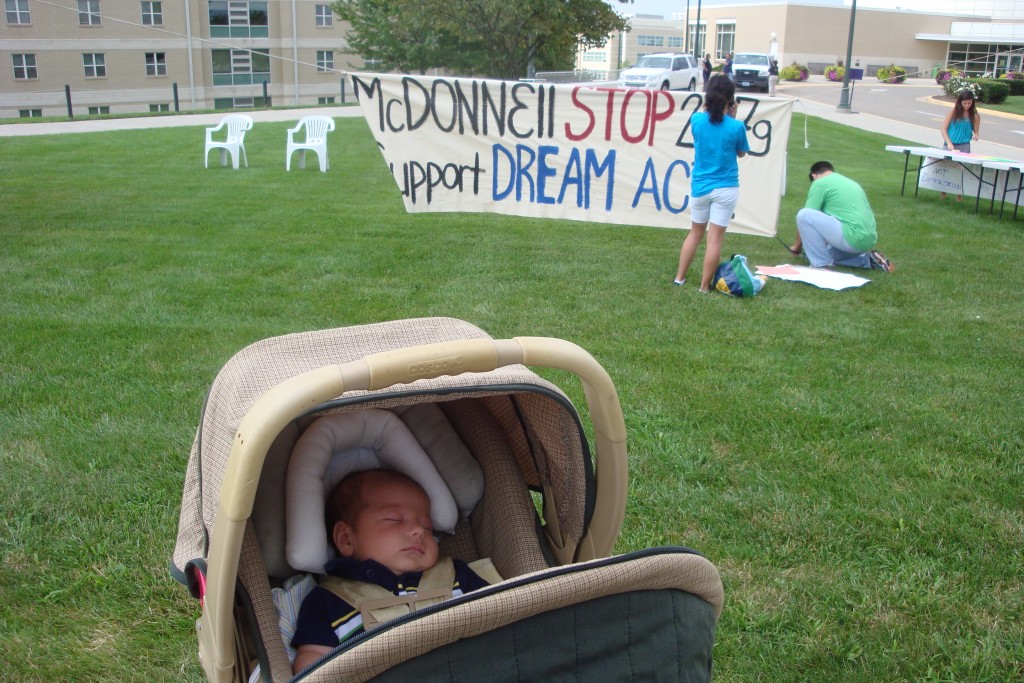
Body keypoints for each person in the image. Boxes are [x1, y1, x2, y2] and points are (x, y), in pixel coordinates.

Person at [291, 469, 492, 673]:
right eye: (394, 519)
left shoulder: (456, 576)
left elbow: (497, 618)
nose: (419, 530)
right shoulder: (328, 601)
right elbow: (313, 660)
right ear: (346, 539)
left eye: (427, 526)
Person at [674, 74, 750, 292]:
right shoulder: (736, 127)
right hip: (726, 187)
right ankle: (704, 286)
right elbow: (742, 152)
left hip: (701, 186)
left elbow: (708, 126)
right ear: (731, 100)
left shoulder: (696, 120)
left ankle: (680, 277)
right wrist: (733, 117)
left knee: (695, 232)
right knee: (714, 239)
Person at [789, 161, 894, 272]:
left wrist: (796, 247)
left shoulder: (819, 183)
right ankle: (868, 261)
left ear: (814, 175)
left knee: (804, 215)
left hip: (851, 236)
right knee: (820, 253)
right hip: (868, 239)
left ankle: (822, 265)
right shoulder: (851, 183)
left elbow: (808, 216)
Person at [939, 89, 981, 201]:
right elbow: (943, 128)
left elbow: (975, 131)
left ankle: (959, 195)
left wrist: (976, 135)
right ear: (960, 102)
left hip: (964, 145)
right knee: (946, 168)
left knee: (961, 170)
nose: (967, 105)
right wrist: (948, 142)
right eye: (965, 103)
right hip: (950, 144)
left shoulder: (975, 116)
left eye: (969, 103)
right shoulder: (953, 113)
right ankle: (943, 192)